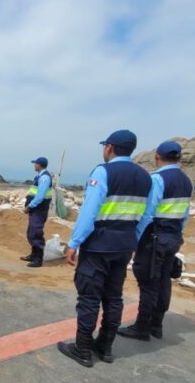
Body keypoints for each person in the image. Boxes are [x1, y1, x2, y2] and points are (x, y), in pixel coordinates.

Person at [58, 130, 152, 367]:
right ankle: (106, 346)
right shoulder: (145, 177)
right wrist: (133, 239)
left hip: (99, 245)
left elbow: (89, 212)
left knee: (89, 297)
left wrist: (74, 242)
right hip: (124, 246)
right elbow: (147, 215)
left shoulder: (103, 171)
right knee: (113, 297)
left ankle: (83, 349)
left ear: (109, 147)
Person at [118, 141, 193, 341]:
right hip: (173, 237)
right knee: (164, 280)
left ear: (157, 157)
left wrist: (135, 238)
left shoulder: (158, 179)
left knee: (149, 282)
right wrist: (176, 233)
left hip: (155, 237)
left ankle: (142, 327)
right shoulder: (187, 181)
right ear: (179, 158)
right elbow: (185, 214)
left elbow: (148, 213)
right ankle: (156, 324)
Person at [20, 157, 53, 268]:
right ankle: (33, 254)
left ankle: (38, 259)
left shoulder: (44, 178)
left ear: (40, 165)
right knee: (31, 232)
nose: (34, 165)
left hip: (39, 209)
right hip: (36, 209)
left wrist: (29, 206)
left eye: (35, 163)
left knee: (36, 232)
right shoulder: (39, 176)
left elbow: (40, 196)